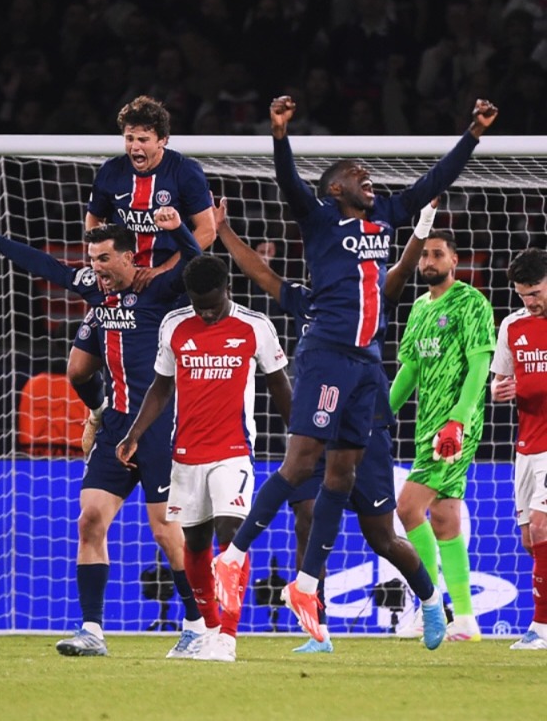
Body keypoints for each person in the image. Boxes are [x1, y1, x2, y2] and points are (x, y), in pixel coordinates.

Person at [212, 93, 497, 650]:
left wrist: (473, 134)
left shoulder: (386, 218)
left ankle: (333, 589)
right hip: (328, 357)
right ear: (335, 189)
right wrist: (279, 133)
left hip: (368, 366)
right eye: (358, 176)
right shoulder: (319, 222)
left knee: (343, 481)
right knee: (302, 467)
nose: (371, 180)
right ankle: (234, 556)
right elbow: (288, 185)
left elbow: (433, 182)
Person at [0, 209, 209, 658]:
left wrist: (177, 231)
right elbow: (46, 266)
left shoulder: (157, 288)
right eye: (91, 259)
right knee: (89, 519)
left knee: (165, 531)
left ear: (128, 257)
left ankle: (197, 626)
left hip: (159, 427)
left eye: (103, 259)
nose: (95, 268)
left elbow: (200, 268)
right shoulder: (94, 289)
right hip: (115, 425)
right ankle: (92, 630)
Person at [217, 196, 448, 652]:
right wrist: (224, 232)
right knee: (306, 512)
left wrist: (421, 224)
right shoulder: (309, 304)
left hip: (367, 430)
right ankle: (317, 628)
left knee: (382, 537)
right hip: (318, 425)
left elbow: (397, 276)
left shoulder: (368, 300)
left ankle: (432, 600)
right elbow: (262, 275)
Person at [116, 254, 292, 662]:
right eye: (200, 306)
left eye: (213, 304)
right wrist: (135, 433)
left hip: (233, 452)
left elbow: (281, 387)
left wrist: (301, 439)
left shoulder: (255, 326)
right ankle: (208, 629)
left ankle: (228, 637)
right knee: (193, 541)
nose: (207, 312)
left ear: (227, 289)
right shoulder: (175, 326)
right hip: (186, 453)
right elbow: (161, 387)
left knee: (230, 536)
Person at [80, 94, 217, 454]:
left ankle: (167, 442)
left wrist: (161, 271)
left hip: (166, 289)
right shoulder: (111, 172)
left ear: (162, 140)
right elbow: (93, 220)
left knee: (164, 374)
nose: (135, 146)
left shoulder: (184, 172)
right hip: (118, 284)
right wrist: (103, 260)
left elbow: (206, 230)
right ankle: (98, 412)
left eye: (143, 139)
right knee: (78, 370)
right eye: (129, 138)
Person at [390, 230, 495, 642]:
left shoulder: (471, 303)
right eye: (425, 255)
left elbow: (479, 366)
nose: (429, 261)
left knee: (407, 507)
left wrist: (459, 420)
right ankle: (465, 619)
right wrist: (380, 414)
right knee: (446, 518)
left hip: (453, 427)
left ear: (454, 261)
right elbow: (410, 371)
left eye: (438, 254)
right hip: (425, 426)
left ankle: (429, 604)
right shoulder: (418, 308)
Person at [488, 247, 547, 650]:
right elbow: (497, 383)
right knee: (530, 540)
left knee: (543, 527)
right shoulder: (512, 325)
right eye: (523, 294)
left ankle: (541, 629)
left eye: (536, 292)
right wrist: (500, 390)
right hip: (525, 445)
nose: (530, 301)